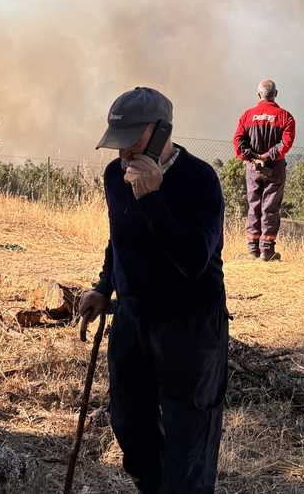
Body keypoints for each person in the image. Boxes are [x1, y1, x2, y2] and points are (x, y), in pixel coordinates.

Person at [78, 87, 228, 494]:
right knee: (129, 425)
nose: (124, 152)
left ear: (162, 131)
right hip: (133, 318)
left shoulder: (200, 179)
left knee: (189, 438)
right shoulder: (115, 175)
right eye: (118, 142)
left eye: (133, 141)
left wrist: (153, 197)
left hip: (190, 326)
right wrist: (104, 286)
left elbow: (194, 260)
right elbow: (119, 237)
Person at [232, 79, 296, 260]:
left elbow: (237, 142)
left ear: (258, 94)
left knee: (254, 206)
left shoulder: (247, 116)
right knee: (270, 207)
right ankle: (267, 251)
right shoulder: (285, 117)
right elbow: (286, 143)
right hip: (275, 169)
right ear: (276, 94)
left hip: (253, 169)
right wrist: (268, 156)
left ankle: (253, 249)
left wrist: (252, 157)